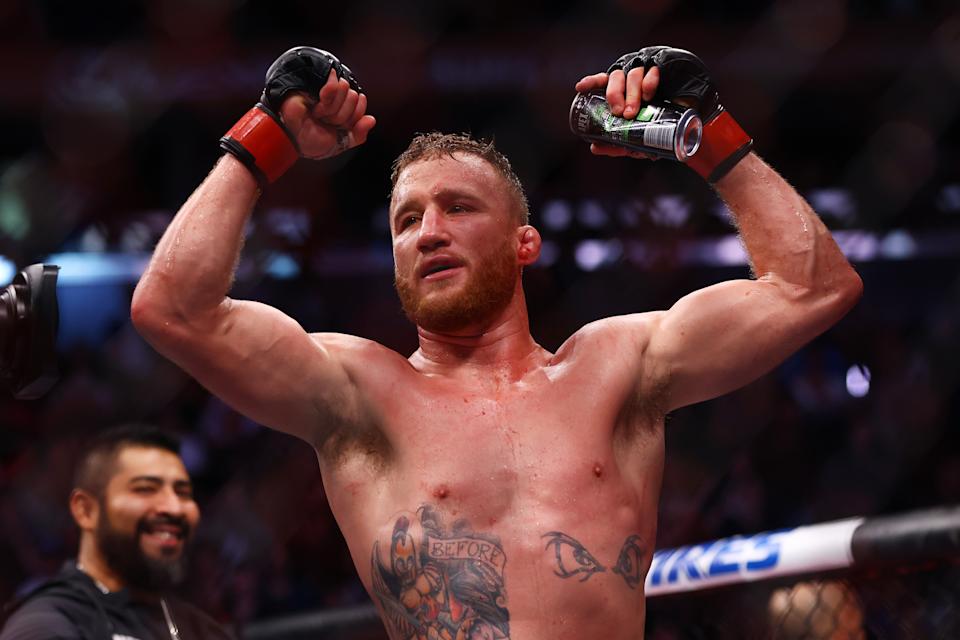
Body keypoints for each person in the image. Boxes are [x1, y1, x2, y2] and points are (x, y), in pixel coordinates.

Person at [130, 46, 862, 639]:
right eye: (406, 220)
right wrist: (265, 137)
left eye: (456, 207)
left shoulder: (619, 365)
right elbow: (174, 310)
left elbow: (813, 286)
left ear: (525, 243)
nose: (429, 232)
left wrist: (710, 136)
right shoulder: (357, 394)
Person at [0, 425, 233, 640]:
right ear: (86, 510)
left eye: (182, 492)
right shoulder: (48, 620)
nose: (172, 508)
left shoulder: (192, 623)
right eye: (145, 489)